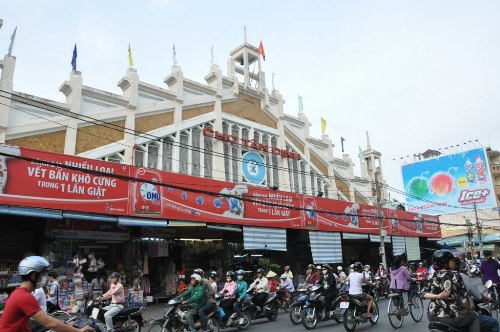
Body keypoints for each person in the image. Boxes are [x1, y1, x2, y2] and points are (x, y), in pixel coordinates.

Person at [0, 256, 91, 332]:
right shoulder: (24, 297)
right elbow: (50, 323)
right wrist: (79, 331)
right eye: (42, 275)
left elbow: (43, 319)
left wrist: (65, 324)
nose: (44, 279)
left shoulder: (19, 293)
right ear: (33, 275)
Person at [422, 249, 480, 332]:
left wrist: (438, 296)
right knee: (474, 316)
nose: (454, 262)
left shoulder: (431, 276)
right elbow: (464, 299)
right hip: (450, 317)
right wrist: (468, 310)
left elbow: (423, 294)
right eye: (451, 260)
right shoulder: (455, 275)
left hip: (432, 316)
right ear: (444, 262)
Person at [454, 257, 499, 332]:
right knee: (493, 323)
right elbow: (475, 292)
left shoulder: (434, 277)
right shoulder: (459, 275)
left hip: (437, 316)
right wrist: (487, 299)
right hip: (458, 315)